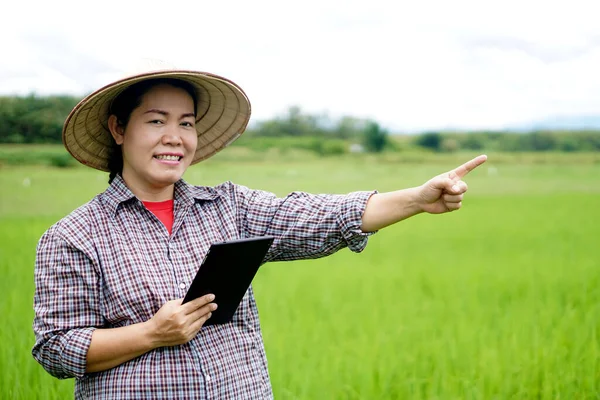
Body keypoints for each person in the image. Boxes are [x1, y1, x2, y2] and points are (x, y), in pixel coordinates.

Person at [32, 66, 487, 400]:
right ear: (118, 129)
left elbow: (316, 216)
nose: (175, 136)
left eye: (186, 123)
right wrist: (152, 333)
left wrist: (416, 199)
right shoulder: (74, 236)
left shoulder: (229, 208)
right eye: (156, 121)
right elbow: (55, 347)